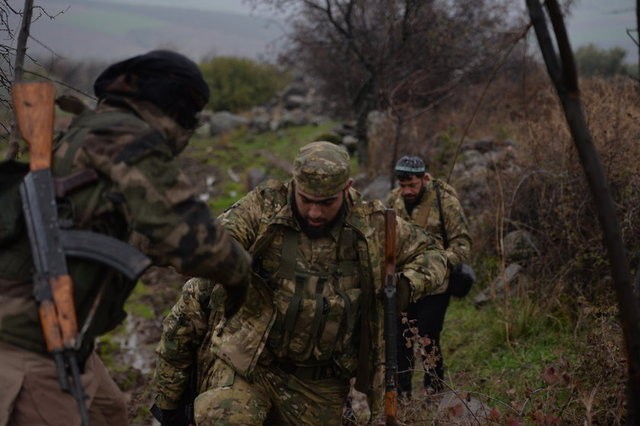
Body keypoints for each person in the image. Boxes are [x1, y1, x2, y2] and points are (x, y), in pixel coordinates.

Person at [0, 50, 251, 426]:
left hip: (58, 326)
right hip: (27, 340)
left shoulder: (93, 128)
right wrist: (243, 274)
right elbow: (198, 243)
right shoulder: (126, 138)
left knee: (109, 411)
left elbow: (127, 231)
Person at [152, 141, 449, 425]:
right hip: (251, 364)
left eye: (327, 202)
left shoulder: (372, 225)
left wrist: (406, 286)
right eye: (306, 200)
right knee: (224, 415)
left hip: (319, 384)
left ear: (347, 189)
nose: (315, 212)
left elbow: (433, 254)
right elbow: (221, 236)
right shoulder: (265, 206)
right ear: (294, 184)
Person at [386, 155, 472, 398]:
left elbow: (462, 244)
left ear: (424, 178)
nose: (407, 191)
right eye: (403, 186)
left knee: (428, 339)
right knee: (399, 343)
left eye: (412, 185)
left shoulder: (444, 201)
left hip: (435, 286)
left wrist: (439, 263)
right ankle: (401, 399)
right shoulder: (393, 201)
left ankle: (433, 395)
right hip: (403, 286)